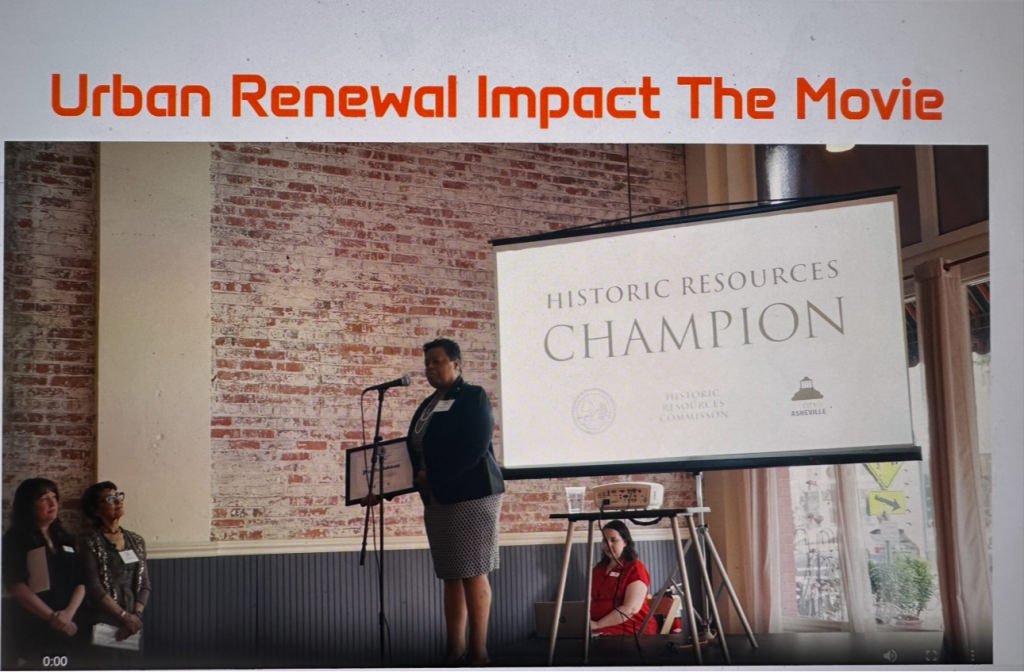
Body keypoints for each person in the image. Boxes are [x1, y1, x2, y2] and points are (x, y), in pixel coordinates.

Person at [406, 338, 505, 665]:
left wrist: (433, 477)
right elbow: (415, 450)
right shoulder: (428, 404)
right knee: (451, 573)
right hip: (438, 498)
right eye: (427, 363)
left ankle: (478, 651)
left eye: (437, 361)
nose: (430, 368)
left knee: (473, 570)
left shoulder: (472, 397)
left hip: (472, 495)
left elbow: (473, 447)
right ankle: (455, 648)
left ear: (457, 364)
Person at [1, 478, 87, 669]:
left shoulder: (65, 537)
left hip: (71, 622)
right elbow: (17, 586)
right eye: (44, 498)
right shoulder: (15, 539)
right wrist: (53, 618)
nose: (52, 503)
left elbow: (82, 581)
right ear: (28, 505)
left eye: (54, 497)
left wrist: (68, 615)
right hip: (35, 624)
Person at [77, 481, 150, 664]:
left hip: (133, 623)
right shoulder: (89, 541)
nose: (118, 501)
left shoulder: (136, 540)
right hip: (103, 621)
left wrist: (135, 618)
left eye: (119, 496)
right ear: (96, 510)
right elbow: (94, 587)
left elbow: (145, 585)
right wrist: (123, 617)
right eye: (110, 499)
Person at [589, 520, 658, 636]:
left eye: (613, 540)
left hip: (631, 627)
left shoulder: (635, 567)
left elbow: (630, 609)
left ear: (625, 542)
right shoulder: (598, 569)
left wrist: (597, 625)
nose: (608, 545)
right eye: (605, 541)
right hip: (598, 625)